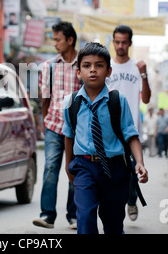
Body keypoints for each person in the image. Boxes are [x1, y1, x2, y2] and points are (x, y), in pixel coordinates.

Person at [63, 42, 148, 234]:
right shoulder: (70, 103)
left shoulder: (118, 100)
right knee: (84, 220)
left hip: (114, 169)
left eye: (99, 65)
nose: (93, 70)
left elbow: (131, 135)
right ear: (78, 72)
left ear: (108, 71)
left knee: (113, 224)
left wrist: (139, 163)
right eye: (86, 65)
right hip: (84, 167)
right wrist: (69, 168)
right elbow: (68, 136)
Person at [32, 21, 81, 229]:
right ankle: (47, 215)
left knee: (75, 170)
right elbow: (45, 98)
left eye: (57, 39)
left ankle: (74, 216)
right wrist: (45, 121)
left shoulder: (84, 65)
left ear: (70, 41)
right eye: (53, 39)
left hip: (78, 130)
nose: (54, 44)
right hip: (53, 125)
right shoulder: (49, 66)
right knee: (50, 168)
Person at [106, 24, 151, 222]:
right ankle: (114, 209)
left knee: (133, 170)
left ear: (130, 43)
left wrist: (144, 73)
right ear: (113, 42)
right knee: (113, 173)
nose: (120, 45)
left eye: (124, 42)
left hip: (132, 128)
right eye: (117, 42)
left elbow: (147, 99)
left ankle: (131, 200)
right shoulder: (106, 67)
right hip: (110, 129)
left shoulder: (137, 67)